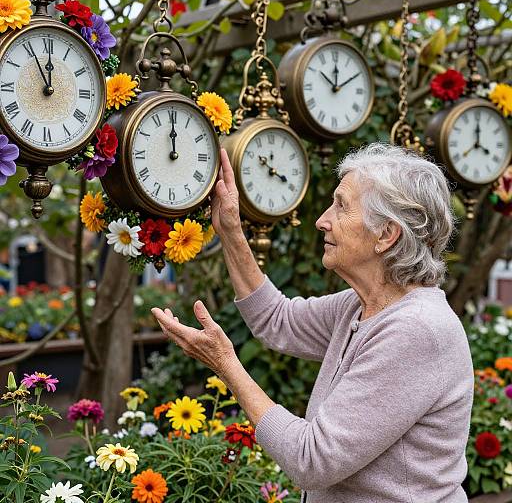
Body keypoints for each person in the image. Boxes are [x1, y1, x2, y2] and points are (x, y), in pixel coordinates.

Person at [152, 143, 474, 503]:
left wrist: (226, 365)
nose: (322, 220)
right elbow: (278, 320)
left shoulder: (415, 331)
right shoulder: (361, 306)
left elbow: (311, 460)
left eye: (341, 205)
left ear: (386, 235)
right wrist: (230, 228)